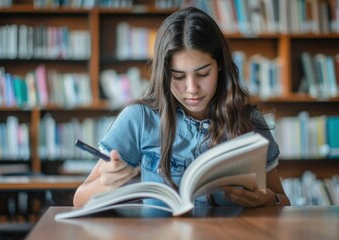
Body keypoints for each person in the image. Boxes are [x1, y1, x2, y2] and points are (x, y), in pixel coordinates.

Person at [73, 6, 290, 208]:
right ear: (164, 74)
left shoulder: (249, 120)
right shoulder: (139, 118)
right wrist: (107, 183)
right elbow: (79, 199)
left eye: (203, 74)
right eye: (177, 76)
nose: (191, 88)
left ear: (220, 65)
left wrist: (267, 198)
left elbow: (283, 201)